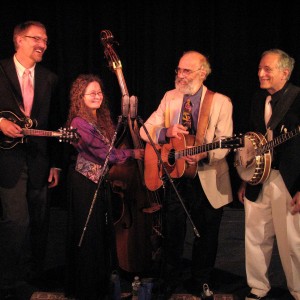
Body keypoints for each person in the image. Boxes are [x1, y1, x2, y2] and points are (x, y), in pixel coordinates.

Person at [139, 50, 234, 298]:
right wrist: (166, 132)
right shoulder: (170, 97)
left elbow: (224, 143)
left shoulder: (221, 102)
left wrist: (203, 154)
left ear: (202, 73)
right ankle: (169, 279)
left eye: (186, 71)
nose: (180, 75)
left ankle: (201, 279)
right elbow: (144, 130)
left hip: (208, 175)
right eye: (178, 70)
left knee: (206, 232)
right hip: (176, 175)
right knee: (173, 230)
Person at [64, 74, 144, 300]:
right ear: (80, 97)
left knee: (99, 234)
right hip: (84, 184)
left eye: (99, 92)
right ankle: (86, 288)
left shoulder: (100, 118)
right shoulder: (78, 122)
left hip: (98, 182)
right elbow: (103, 154)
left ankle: (100, 285)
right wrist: (132, 153)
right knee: (88, 235)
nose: (97, 96)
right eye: (91, 93)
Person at [0, 21, 63, 299]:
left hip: (39, 161)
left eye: (46, 40)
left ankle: (31, 276)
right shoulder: (0, 71)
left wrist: (56, 163)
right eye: (37, 38)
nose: (43, 45)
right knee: (16, 221)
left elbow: (58, 124)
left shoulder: (50, 78)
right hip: (8, 161)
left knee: (38, 222)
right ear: (19, 41)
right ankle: (9, 282)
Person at [237, 49, 300, 300]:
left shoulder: (298, 99)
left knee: (292, 242)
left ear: (285, 73)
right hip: (258, 177)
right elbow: (251, 140)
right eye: (260, 68)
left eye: (267, 69)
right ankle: (258, 287)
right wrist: (245, 179)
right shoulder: (257, 98)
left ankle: (297, 291)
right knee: (255, 235)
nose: (260, 73)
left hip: (289, 179)